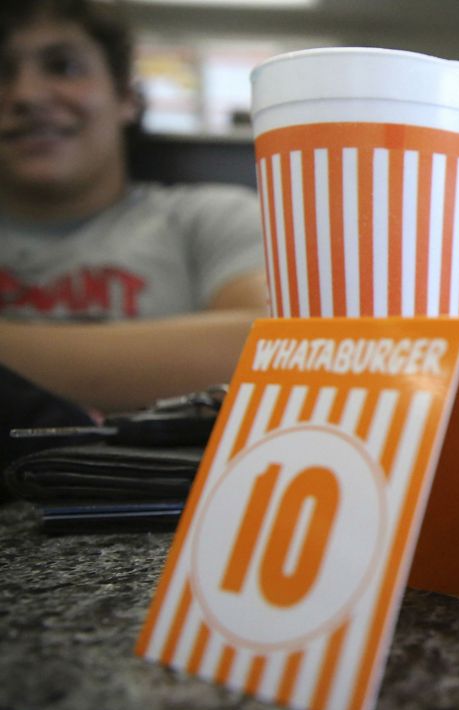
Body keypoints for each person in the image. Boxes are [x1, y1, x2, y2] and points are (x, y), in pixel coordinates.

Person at [0, 0, 267, 414]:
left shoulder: (212, 219)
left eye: (64, 67)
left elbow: (269, 349)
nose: (27, 95)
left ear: (126, 96)